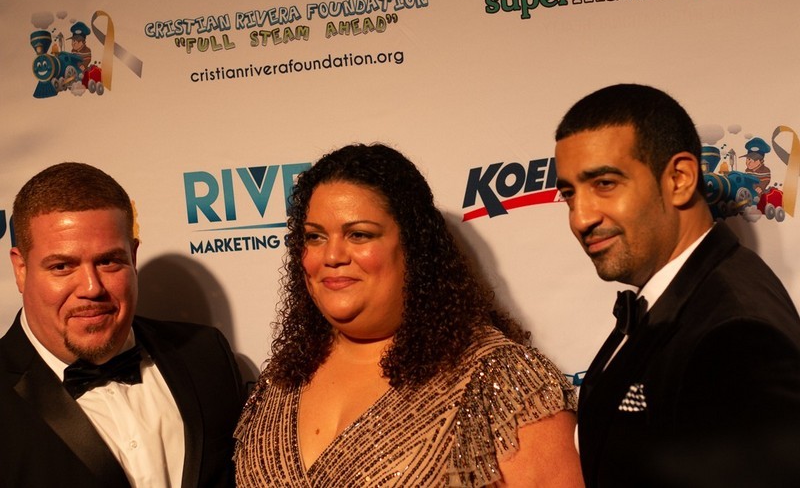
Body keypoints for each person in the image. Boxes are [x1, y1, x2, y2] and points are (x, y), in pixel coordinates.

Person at [234, 143, 583, 486]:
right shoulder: (282, 377)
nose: (332, 255)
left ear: (413, 247)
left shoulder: (503, 380)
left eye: (359, 235)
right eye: (315, 237)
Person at [553, 84, 800, 487]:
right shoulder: (678, 299)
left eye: (605, 184)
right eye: (569, 194)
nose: (581, 218)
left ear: (680, 178)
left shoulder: (736, 334)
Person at [1, 162, 244, 488]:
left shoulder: (205, 354)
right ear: (21, 269)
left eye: (108, 261)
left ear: (133, 257)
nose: (91, 288)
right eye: (62, 266)